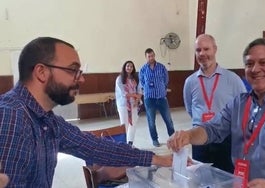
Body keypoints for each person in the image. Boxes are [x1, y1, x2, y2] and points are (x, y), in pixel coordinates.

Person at [0, 37, 172, 187]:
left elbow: (94, 147)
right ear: (41, 72)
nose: (81, 78)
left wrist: (156, 159)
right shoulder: (12, 118)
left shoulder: (47, 120)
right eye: (73, 70)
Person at [168, 38, 265, 188]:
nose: (255, 69)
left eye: (263, 62)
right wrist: (188, 135)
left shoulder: (231, 79)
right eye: (249, 64)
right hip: (239, 182)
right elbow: (212, 128)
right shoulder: (239, 104)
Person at [183, 34, 246, 173]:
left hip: (225, 139)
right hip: (199, 139)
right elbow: (190, 108)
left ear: (215, 49)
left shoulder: (233, 79)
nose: (202, 53)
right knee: (201, 177)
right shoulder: (190, 82)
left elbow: (244, 108)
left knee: (226, 177)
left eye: (206, 49)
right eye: (198, 50)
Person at [139, 48, 175, 147]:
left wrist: (162, 88)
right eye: (149, 56)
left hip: (161, 98)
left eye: (152, 55)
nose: (151, 58)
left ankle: (173, 138)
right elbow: (142, 82)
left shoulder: (162, 67)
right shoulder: (143, 69)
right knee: (151, 121)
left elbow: (166, 79)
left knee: (168, 120)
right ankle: (155, 139)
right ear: (146, 57)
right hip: (149, 99)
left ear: (154, 55)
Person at [115, 60, 142, 145]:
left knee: (133, 124)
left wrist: (137, 100)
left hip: (134, 104)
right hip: (123, 105)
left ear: (133, 68)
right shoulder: (120, 79)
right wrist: (135, 95)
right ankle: (123, 144)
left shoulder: (135, 79)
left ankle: (130, 142)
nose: (129, 68)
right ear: (124, 67)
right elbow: (124, 94)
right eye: (127, 66)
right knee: (124, 125)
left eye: (131, 66)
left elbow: (140, 91)